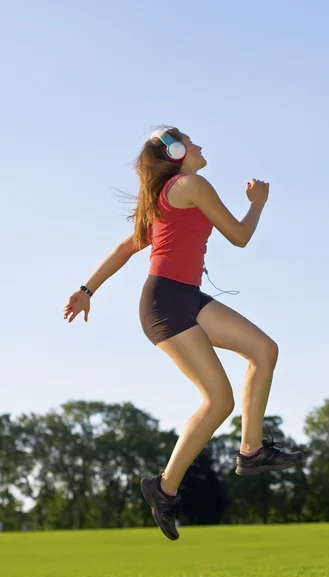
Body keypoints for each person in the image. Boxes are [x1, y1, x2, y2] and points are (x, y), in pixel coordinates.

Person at [63, 127, 304, 541]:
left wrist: (87, 290)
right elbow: (240, 237)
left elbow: (125, 249)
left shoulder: (164, 197)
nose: (201, 146)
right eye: (192, 142)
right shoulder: (191, 184)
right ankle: (164, 487)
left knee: (264, 350)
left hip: (184, 298)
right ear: (176, 153)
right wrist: (258, 205)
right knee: (218, 400)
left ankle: (251, 451)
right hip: (166, 305)